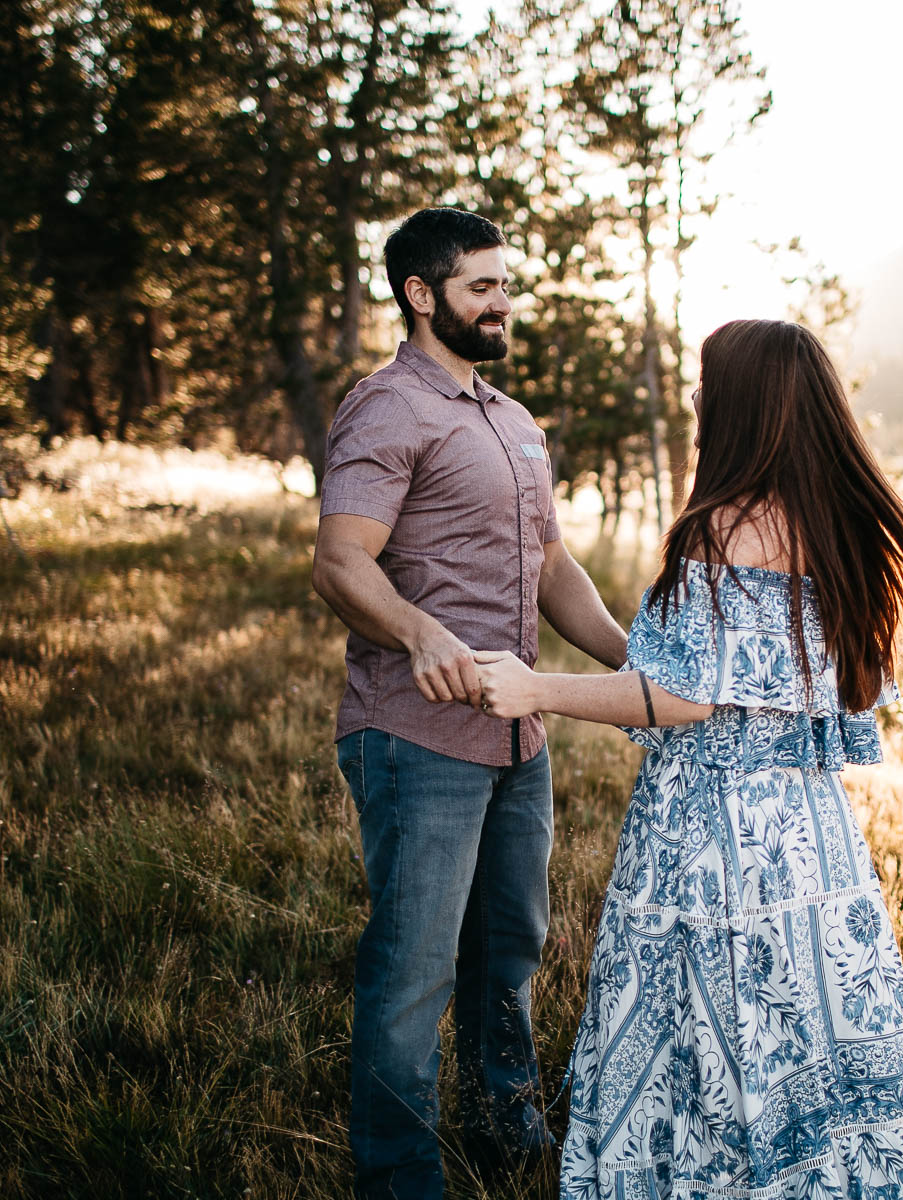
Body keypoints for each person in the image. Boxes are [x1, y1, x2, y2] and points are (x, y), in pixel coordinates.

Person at [475, 318, 903, 1198]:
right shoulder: (839, 523)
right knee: (808, 1029)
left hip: (710, 837)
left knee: (701, 1030)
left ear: (744, 405)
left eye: (707, 384)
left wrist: (534, 687)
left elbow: (685, 698)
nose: (696, 398)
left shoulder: (725, 526)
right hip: (810, 839)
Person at [310, 207, 628, 1200]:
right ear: (421, 294)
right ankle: (401, 1176)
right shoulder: (387, 409)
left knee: (510, 949)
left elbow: (552, 566)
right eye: (481, 287)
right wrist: (422, 635)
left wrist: (635, 664)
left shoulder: (514, 420)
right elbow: (340, 561)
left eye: (505, 286)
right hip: (418, 739)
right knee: (414, 972)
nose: (503, 304)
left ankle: (507, 1124)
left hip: (518, 739)